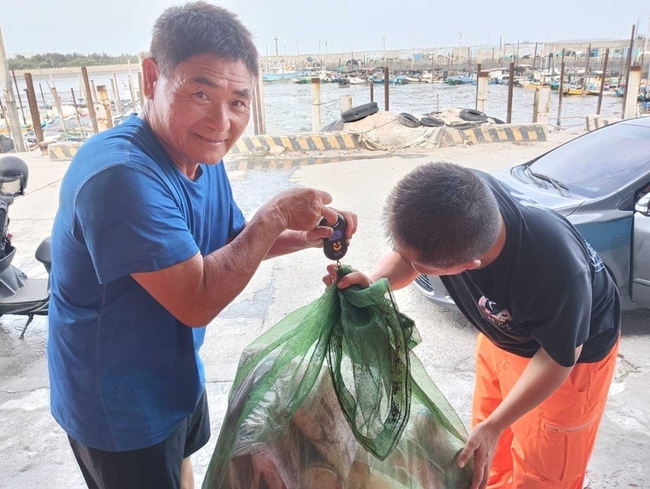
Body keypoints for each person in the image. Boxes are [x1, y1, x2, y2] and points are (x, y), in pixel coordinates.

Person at [48, 3, 356, 488]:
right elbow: (198, 298)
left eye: (238, 102)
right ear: (151, 77)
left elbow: (228, 243)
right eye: (200, 92)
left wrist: (301, 235)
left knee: (183, 468)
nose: (221, 122)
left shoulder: (198, 154)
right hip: (118, 403)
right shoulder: (121, 176)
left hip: (174, 373)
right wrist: (274, 214)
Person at [325, 162, 620, 489]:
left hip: (564, 358)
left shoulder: (556, 273)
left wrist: (495, 425)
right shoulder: (459, 197)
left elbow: (558, 359)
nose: (409, 266)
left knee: (544, 470)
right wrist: (374, 282)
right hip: (503, 333)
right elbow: (406, 258)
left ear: (468, 267)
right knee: (485, 449)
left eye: (420, 267)